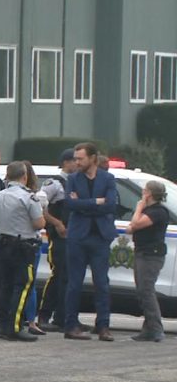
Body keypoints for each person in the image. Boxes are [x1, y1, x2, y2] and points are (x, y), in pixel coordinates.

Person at [63, 142, 117, 342]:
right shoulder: (73, 179)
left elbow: (111, 204)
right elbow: (70, 204)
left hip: (100, 237)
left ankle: (103, 326)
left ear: (93, 158)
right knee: (74, 283)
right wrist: (96, 201)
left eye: (80, 158)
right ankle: (70, 325)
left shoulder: (108, 178)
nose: (77, 162)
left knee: (102, 283)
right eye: (75, 158)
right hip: (78, 237)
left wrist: (83, 204)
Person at [0, 162, 45, 342]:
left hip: (3, 244)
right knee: (22, 287)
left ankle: (2, 325)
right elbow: (39, 223)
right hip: (23, 246)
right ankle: (15, 326)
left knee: (5, 286)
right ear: (24, 176)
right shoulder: (28, 197)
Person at [37, 149, 79, 332]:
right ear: (66, 162)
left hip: (74, 236)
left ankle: (64, 317)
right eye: (74, 161)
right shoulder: (54, 184)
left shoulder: (77, 183)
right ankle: (45, 314)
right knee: (59, 275)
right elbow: (39, 205)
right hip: (59, 236)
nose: (77, 164)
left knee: (69, 277)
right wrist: (57, 224)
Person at [127, 181, 168, 342]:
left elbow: (135, 224)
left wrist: (138, 208)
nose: (142, 193)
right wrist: (136, 222)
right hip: (142, 251)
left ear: (149, 194)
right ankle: (148, 328)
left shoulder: (158, 212)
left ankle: (156, 329)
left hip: (151, 255)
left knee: (146, 290)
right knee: (142, 290)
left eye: (144, 191)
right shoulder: (149, 210)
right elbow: (130, 228)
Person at [21, 161, 49, 335]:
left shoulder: (7, 194)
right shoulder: (38, 196)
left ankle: (24, 319)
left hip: (13, 241)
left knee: (19, 283)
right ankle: (30, 320)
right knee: (29, 283)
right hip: (31, 241)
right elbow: (39, 222)